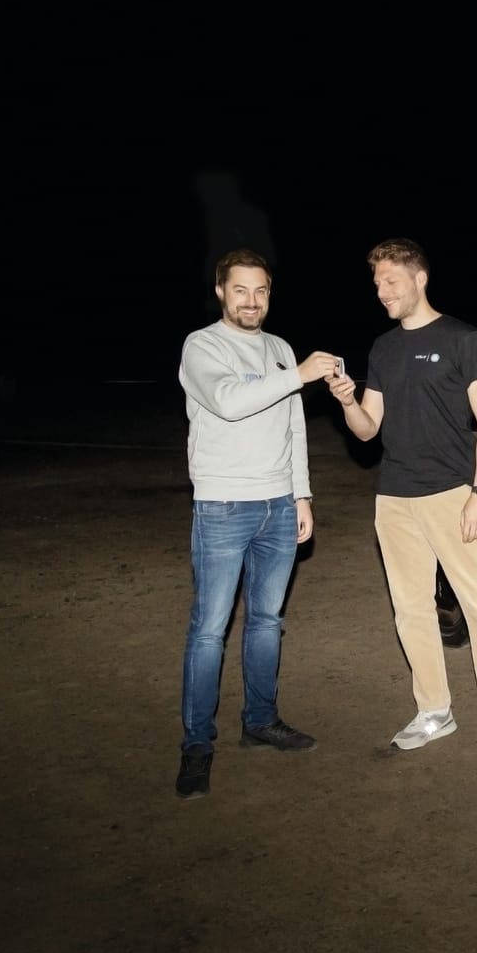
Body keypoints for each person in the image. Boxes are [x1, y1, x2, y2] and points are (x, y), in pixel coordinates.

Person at [326, 238, 477, 758]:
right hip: (394, 499)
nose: (382, 291)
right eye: (377, 283)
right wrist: (348, 402)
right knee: (411, 610)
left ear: (420, 278)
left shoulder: (462, 339)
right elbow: (368, 429)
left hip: (452, 493)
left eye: (391, 280)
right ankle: (435, 711)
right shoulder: (383, 348)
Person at [174, 247, 343, 800]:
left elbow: (294, 426)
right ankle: (197, 745)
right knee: (209, 629)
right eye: (240, 290)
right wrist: (299, 374)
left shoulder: (279, 349)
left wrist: (302, 495)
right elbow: (228, 401)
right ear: (220, 291)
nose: (251, 301)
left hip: (278, 505)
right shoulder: (202, 345)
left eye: (261, 290)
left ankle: (260, 721)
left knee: (267, 621)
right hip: (223, 505)